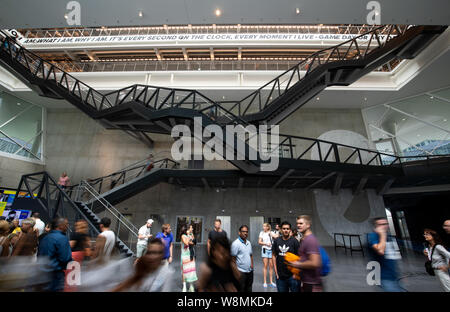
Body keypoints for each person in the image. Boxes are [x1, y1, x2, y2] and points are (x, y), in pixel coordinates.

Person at [367, 217, 404, 292]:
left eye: (385, 224)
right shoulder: (373, 236)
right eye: (380, 224)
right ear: (376, 226)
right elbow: (380, 251)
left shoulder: (389, 237)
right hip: (384, 276)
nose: (384, 226)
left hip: (393, 275)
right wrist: (382, 235)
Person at [288, 215, 323, 292]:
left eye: (301, 223)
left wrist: (297, 264)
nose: (298, 225)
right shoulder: (304, 239)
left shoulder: (310, 240)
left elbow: (315, 263)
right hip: (306, 281)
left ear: (308, 225)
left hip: (312, 284)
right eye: (297, 223)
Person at [37, 218, 72, 292]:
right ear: (60, 226)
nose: (68, 226)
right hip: (55, 275)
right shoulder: (62, 238)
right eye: (66, 224)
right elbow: (65, 258)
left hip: (41, 274)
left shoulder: (45, 237)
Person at [272, 221, 300, 292]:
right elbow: (274, 256)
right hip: (280, 276)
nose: (286, 230)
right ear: (281, 230)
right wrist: (276, 272)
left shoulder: (295, 241)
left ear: (290, 230)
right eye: (284, 228)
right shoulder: (277, 241)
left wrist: (296, 273)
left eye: (287, 229)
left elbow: (299, 258)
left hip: (292, 276)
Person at [231, 225, 254, 292]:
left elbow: (251, 255)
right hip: (241, 272)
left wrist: (252, 266)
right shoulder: (235, 244)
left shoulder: (249, 243)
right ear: (239, 232)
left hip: (249, 272)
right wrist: (236, 272)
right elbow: (232, 259)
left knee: (249, 289)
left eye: (246, 232)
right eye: (243, 231)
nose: (245, 233)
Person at [180, 224, 198, 292]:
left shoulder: (191, 235)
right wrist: (191, 240)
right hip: (185, 255)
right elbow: (187, 243)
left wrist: (192, 237)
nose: (192, 229)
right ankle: (184, 286)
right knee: (185, 271)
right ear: (187, 229)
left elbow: (195, 242)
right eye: (191, 228)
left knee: (191, 270)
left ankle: (191, 286)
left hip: (191, 254)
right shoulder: (183, 236)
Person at [258, 223, 276, 288]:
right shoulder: (261, 233)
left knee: (271, 266)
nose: (263, 227)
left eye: (265, 226)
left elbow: (277, 237)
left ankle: (271, 281)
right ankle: (265, 282)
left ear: (268, 227)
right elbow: (259, 242)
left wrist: (273, 235)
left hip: (271, 250)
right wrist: (266, 243)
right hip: (265, 249)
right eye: (263, 226)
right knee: (265, 265)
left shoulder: (271, 232)